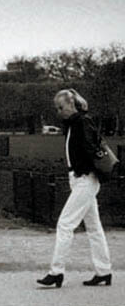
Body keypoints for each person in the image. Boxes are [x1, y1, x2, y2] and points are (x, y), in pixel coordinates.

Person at [38, 88, 112, 288]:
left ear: (71, 104)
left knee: (65, 224)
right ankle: (104, 271)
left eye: (61, 107)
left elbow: (89, 149)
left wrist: (83, 170)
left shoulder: (80, 122)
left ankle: (56, 271)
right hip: (82, 178)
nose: (58, 111)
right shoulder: (77, 122)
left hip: (84, 179)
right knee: (94, 227)